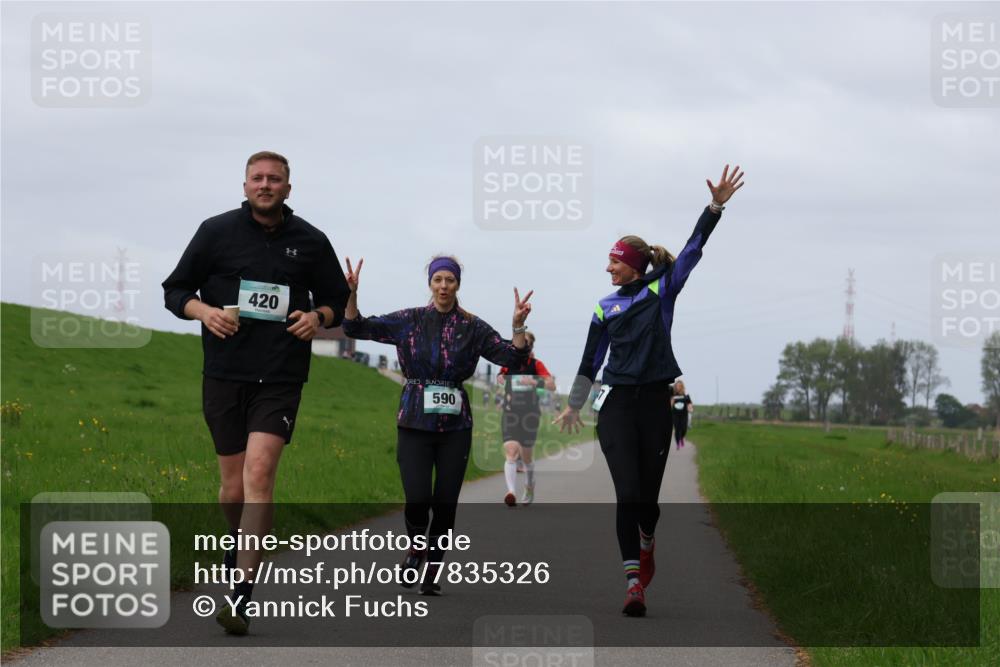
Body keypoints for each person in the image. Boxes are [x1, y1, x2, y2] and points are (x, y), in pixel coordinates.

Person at [162, 151, 351, 635]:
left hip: (282, 373)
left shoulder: (311, 240)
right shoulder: (215, 232)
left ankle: (240, 596)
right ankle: (239, 544)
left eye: (275, 179)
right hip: (225, 372)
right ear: (245, 185)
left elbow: (335, 299)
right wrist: (203, 313)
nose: (266, 185)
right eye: (258, 178)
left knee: (260, 473)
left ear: (289, 188)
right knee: (232, 489)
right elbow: (174, 290)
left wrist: (318, 318)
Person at [555, 164, 745, 617]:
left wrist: (714, 207)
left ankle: (647, 539)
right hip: (617, 404)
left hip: (656, 405)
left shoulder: (662, 291)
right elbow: (589, 360)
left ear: (634, 264)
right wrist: (574, 405)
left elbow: (693, 250)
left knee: (647, 502)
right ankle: (633, 583)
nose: (608, 267)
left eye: (615, 260)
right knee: (626, 493)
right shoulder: (603, 308)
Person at [341, 254, 533, 594]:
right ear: (430, 283)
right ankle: (417, 547)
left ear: (458, 284)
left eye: (450, 280)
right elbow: (356, 327)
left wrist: (517, 326)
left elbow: (512, 357)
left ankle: (432, 570)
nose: (444, 286)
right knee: (417, 497)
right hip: (414, 421)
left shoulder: (473, 327)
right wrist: (353, 294)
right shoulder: (410, 320)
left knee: (445, 504)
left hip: (455, 428)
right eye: (438, 280)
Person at [497, 332, 556, 506]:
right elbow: (500, 376)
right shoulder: (509, 363)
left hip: (530, 414)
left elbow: (552, 385)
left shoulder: (536, 365)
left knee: (527, 457)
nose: (521, 345)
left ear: (530, 346)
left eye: (525, 343)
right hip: (510, 413)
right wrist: (500, 378)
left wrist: (534, 383)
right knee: (511, 451)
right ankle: (511, 492)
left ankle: (530, 485)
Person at [671, 380, 694, 449]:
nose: (678, 387)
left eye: (680, 386)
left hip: (684, 415)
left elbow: (689, 404)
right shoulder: (673, 396)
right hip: (675, 415)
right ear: (675, 387)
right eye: (677, 386)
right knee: (677, 429)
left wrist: (690, 408)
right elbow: (670, 406)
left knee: (684, 428)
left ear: (682, 387)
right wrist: (672, 401)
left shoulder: (686, 396)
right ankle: (678, 444)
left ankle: (681, 438)